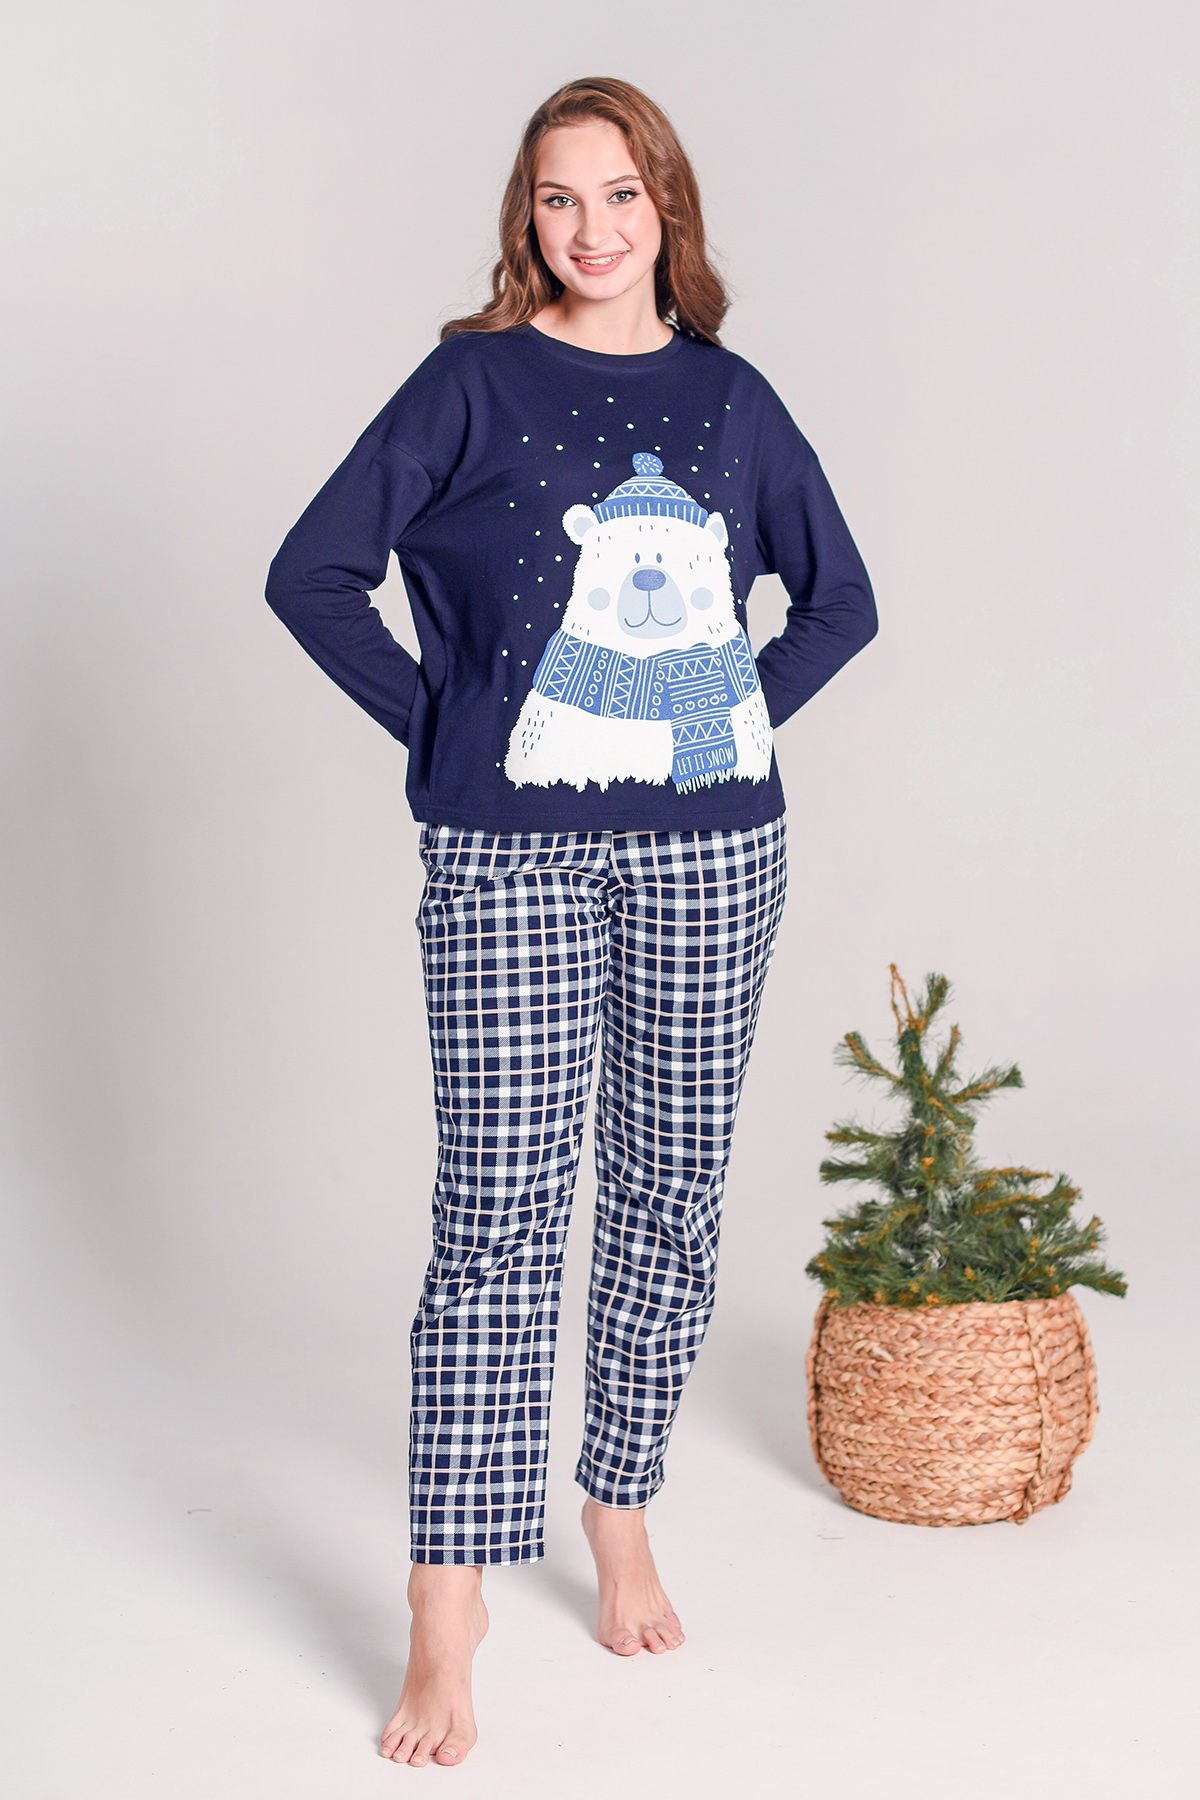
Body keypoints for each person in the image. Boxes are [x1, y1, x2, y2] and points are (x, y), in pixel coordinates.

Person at [265, 75, 877, 1769]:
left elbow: (841, 600)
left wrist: (727, 722)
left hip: (711, 858)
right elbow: (313, 574)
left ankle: (619, 1507)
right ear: (523, 217)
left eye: (620, 195)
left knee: (671, 1190)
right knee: (500, 1215)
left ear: (666, 207)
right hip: (506, 854)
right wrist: (442, 725)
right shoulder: (468, 384)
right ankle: (445, 1600)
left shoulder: (733, 403)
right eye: (557, 198)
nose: (591, 228)